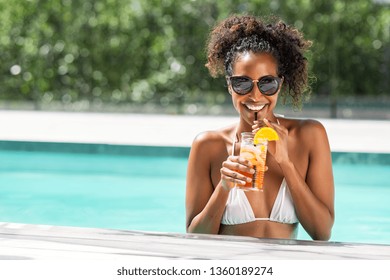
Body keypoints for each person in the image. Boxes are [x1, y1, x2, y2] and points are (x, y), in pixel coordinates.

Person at [185, 15, 334, 240]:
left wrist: (286, 163)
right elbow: (195, 237)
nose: (255, 96)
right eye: (242, 83)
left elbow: (321, 233)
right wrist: (224, 188)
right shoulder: (208, 145)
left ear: (280, 84)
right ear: (229, 86)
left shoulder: (309, 135)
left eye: (267, 83)